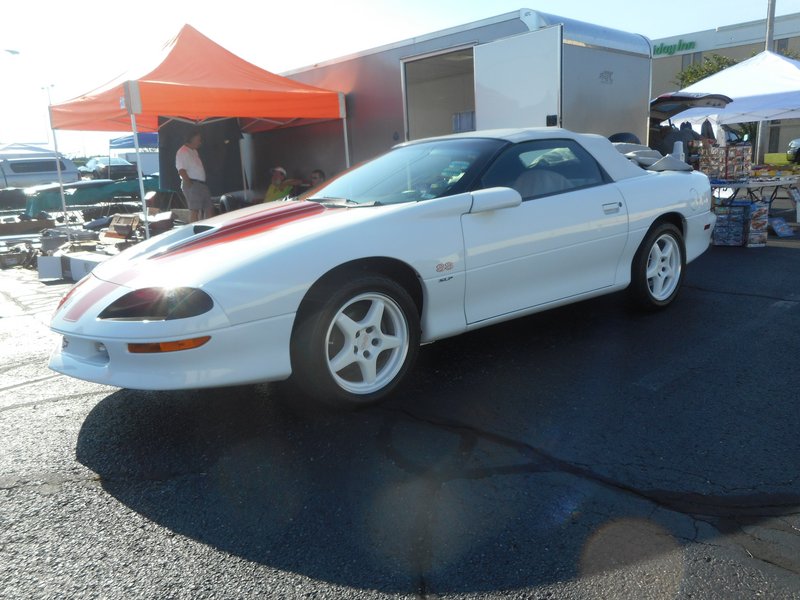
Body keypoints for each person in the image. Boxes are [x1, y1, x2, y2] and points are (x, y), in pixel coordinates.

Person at [176, 131, 213, 222]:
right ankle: (195, 232)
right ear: (191, 139)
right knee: (194, 210)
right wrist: (190, 184)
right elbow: (181, 170)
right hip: (193, 183)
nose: (200, 142)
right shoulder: (182, 151)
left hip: (201, 184)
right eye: (198, 139)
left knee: (209, 208)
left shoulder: (194, 151)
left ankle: (209, 230)